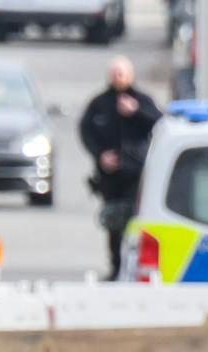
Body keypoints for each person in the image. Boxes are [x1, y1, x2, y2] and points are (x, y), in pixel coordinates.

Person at [78, 56, 162, 280]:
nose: (118, 77)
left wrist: (136, 112)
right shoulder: (99, 104)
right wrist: (100, 155)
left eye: (122, 73)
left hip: (136, 173)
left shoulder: (142, 100)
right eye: (115, 73)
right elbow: (86, 131)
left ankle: (135, 266)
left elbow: (160, 123)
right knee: (114, 221)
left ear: (130, 75)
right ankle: (116, 268)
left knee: (134, 221)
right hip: (110, 175)